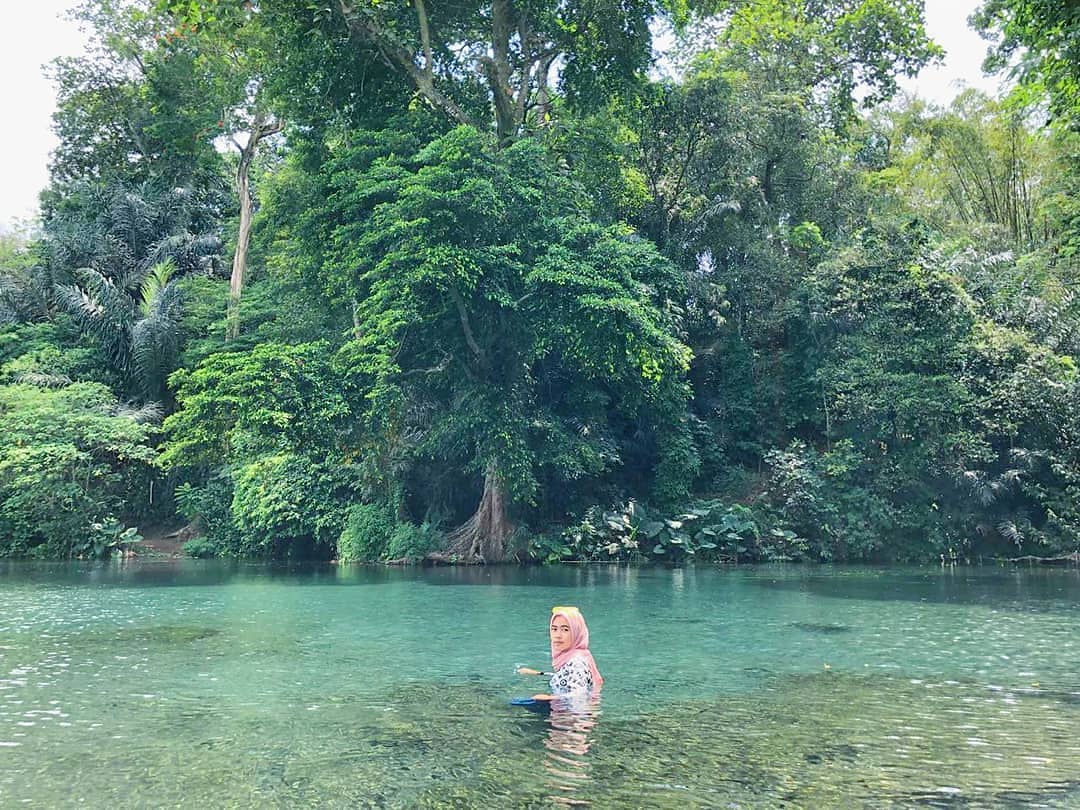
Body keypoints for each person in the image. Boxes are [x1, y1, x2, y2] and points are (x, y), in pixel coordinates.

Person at [517, 606, 603, 700]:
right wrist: (538, 673)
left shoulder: (577, 664)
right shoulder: (579, 655)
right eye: (554, 629)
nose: (557, 635)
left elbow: (579, 695)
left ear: (576, 632)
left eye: (565, 630)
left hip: (567, 713)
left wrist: (551, 698)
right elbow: (566, 678)